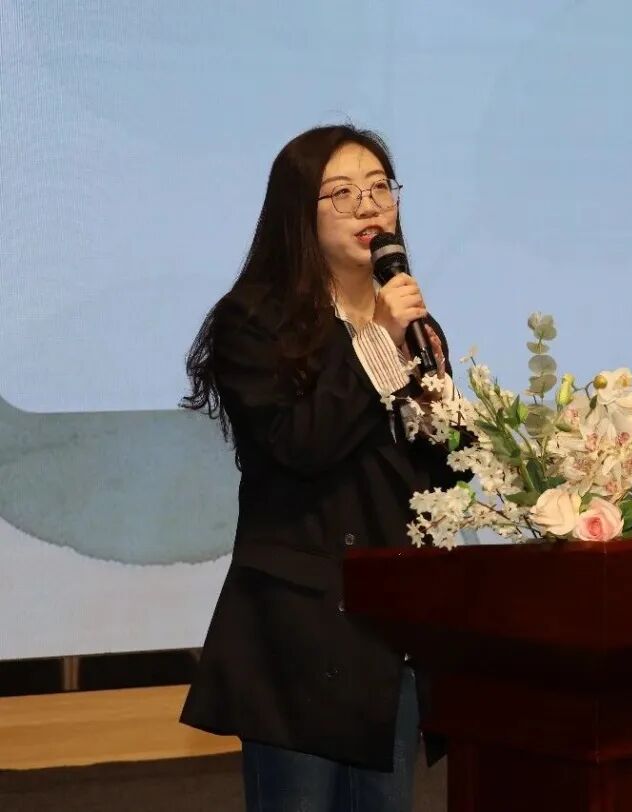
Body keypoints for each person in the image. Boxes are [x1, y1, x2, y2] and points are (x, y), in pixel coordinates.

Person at [179, 124, 465, 811]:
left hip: (389, 626)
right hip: (299, 632)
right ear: (298, 213)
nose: (368, 207)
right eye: (342, 194)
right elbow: (300, 446)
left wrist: (450, 422)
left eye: (379, 189)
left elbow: (441, 478)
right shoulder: (255, 321)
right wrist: (379, 344)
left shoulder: (416, 326)